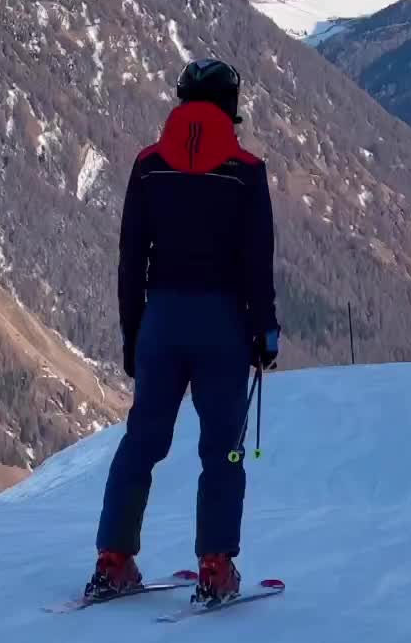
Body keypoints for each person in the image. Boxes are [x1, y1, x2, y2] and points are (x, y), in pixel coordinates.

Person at [84, 58, 280, 605]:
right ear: (229, 106)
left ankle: (113, 560)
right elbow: (256, 264)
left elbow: (130, 261)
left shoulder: (148, 167)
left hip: (160, 321)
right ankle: (215, 568)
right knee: (224, 451)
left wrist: (132, 335)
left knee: (142, 441)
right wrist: (264, 333)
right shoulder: (247, 170)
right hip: (222, 325)